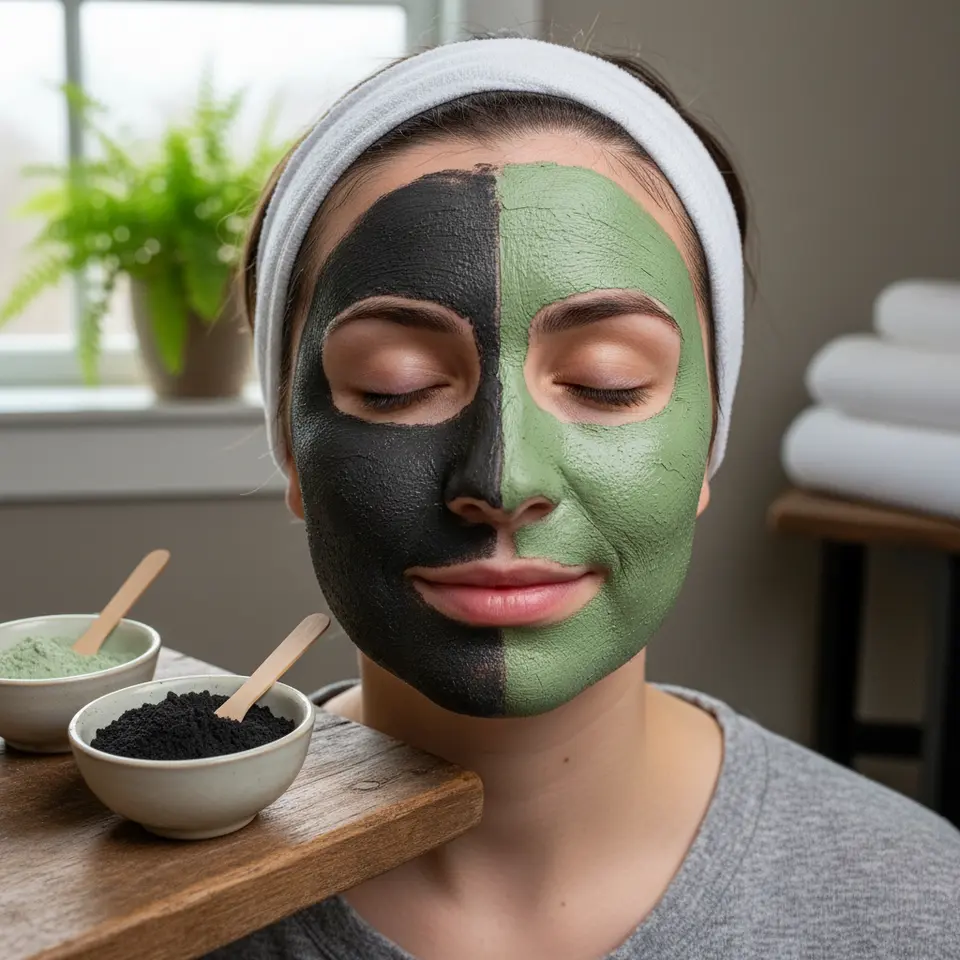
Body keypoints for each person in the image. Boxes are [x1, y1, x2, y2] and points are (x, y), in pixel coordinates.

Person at [209, 35, 960, 960]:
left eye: (607, 384)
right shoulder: (131, 918)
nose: (503, 480)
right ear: (291, 442)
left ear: (706, 439)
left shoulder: (921, 909)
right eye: (395, 384)